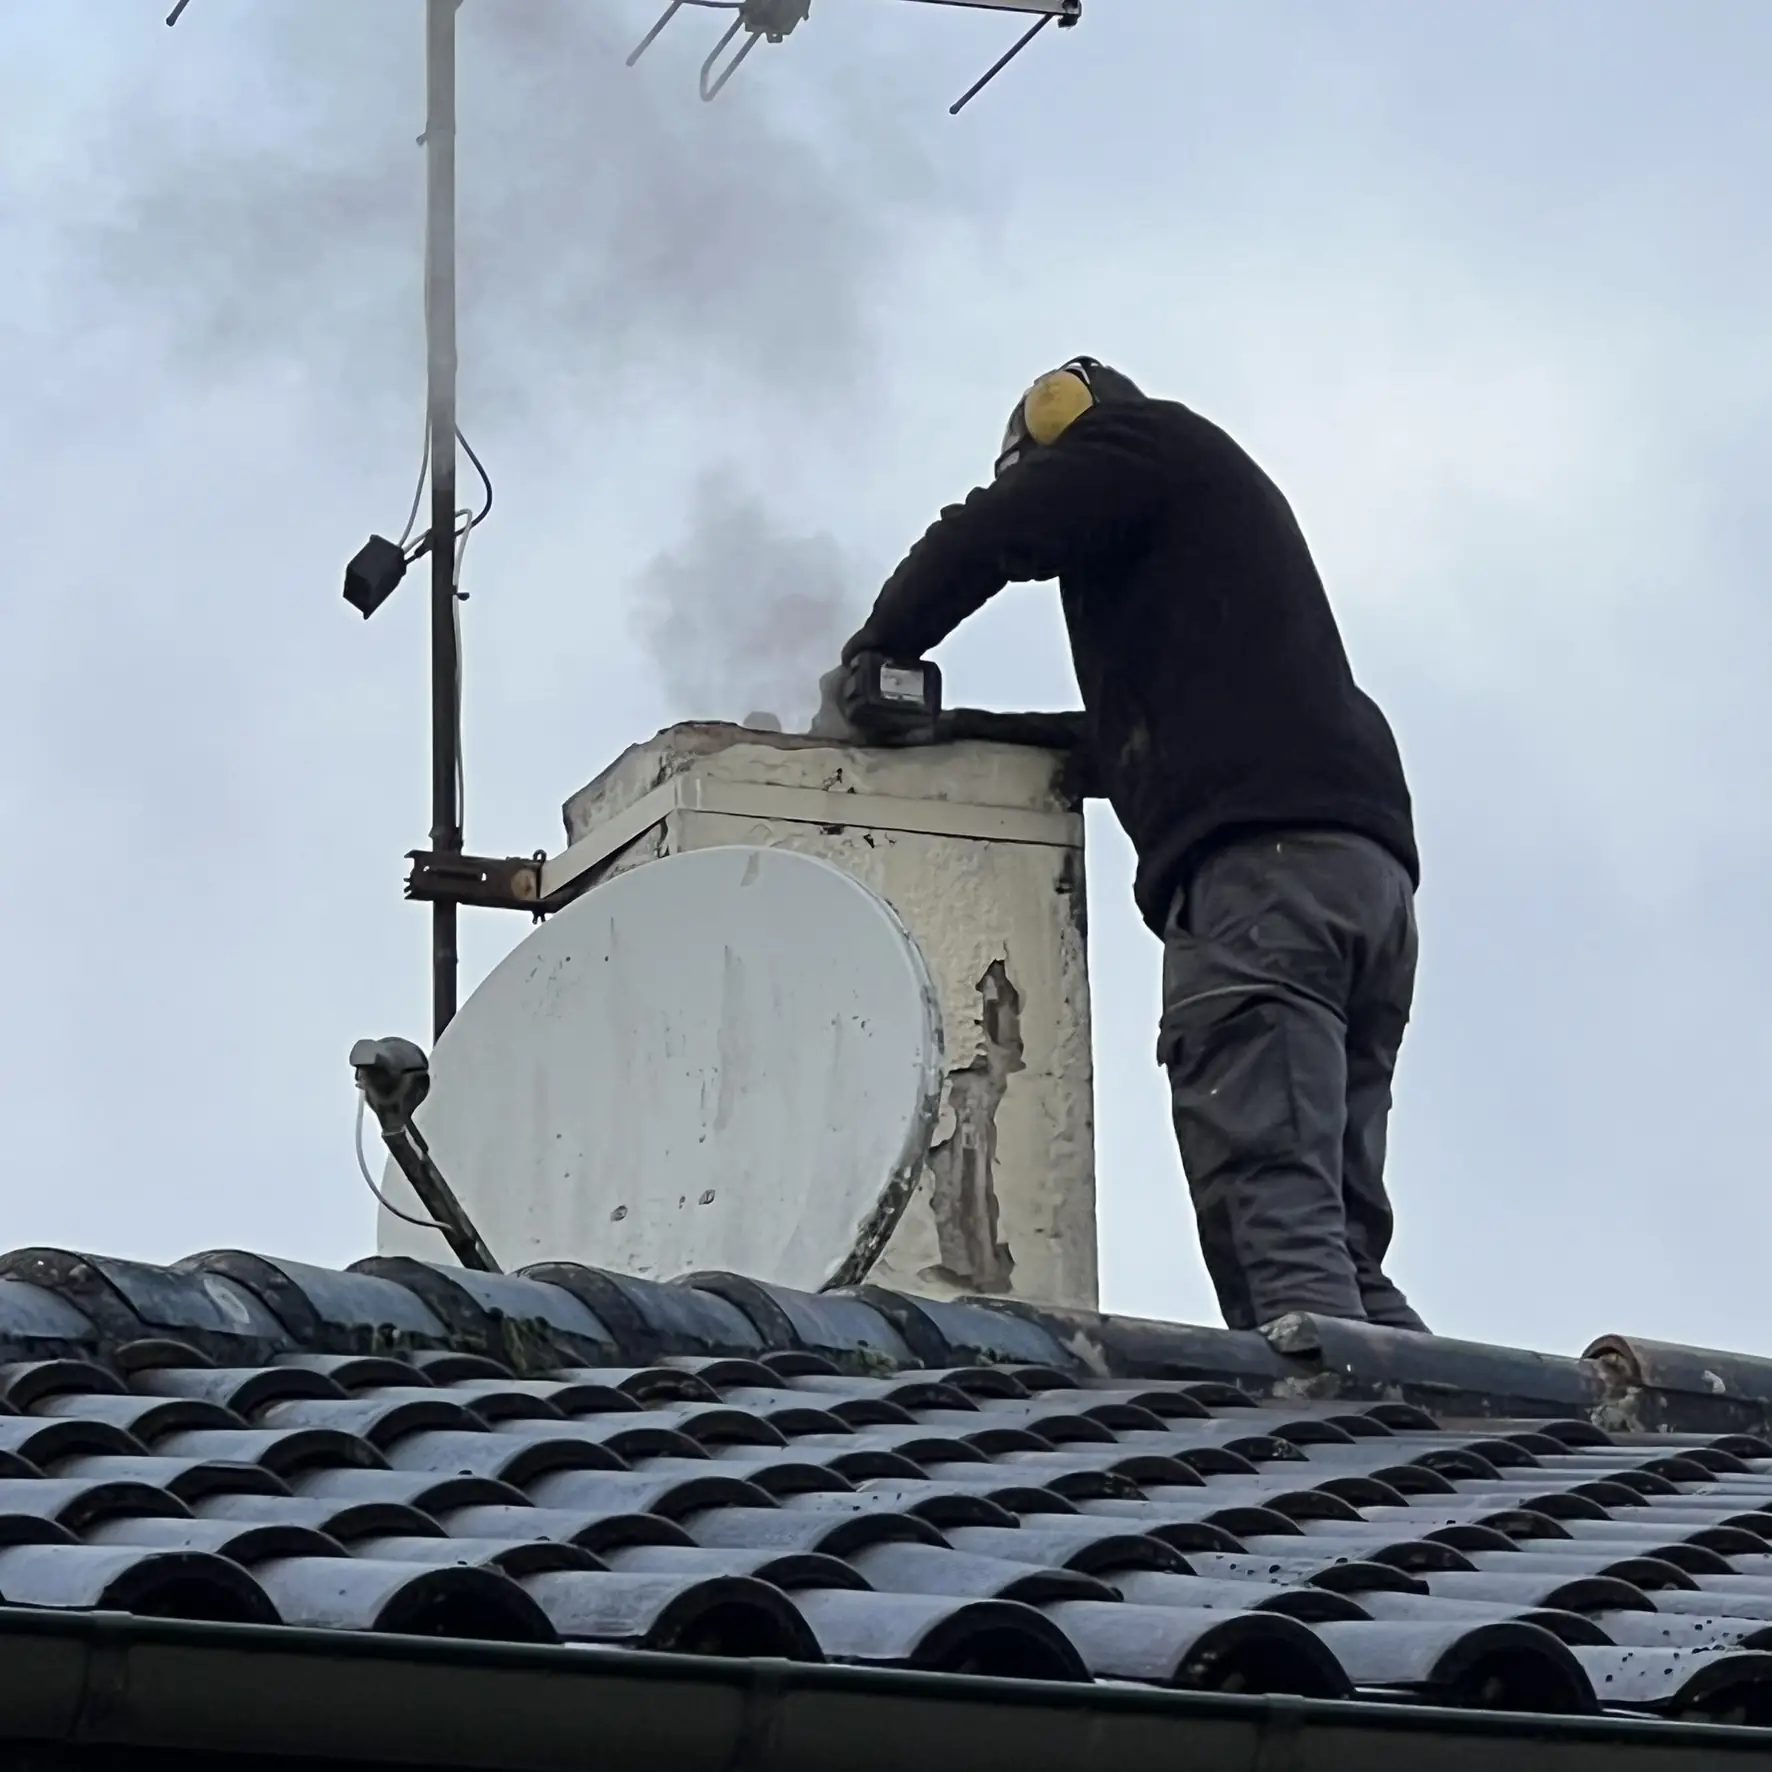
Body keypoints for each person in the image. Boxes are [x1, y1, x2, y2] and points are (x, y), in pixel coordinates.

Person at [818, 357, 1427, 1334]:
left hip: (1260, 884)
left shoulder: (1136, 445)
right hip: (1358, 886)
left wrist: (878, 649)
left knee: (1270, 1222)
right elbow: (1126, 744)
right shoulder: (1199, 545)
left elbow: (987, 534)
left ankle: (1348, 1466)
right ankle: (1454, 1456)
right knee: (1334, 1239)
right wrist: (958, 729)